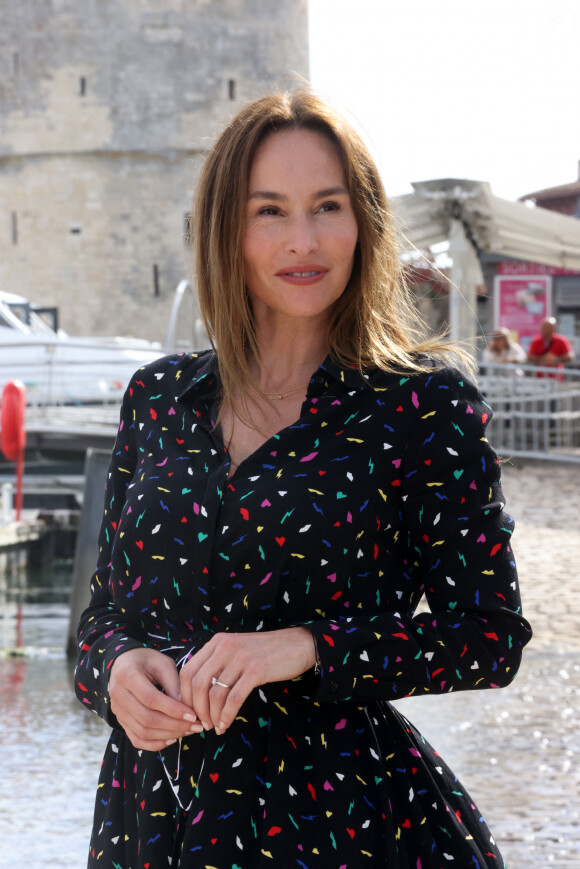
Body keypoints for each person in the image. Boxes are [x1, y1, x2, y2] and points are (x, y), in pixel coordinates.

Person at [75, 89, 532, 869]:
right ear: (228, 227)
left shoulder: (421, 406)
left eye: (328, 205)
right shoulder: (156, 398)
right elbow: (101, 618)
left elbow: (488, 635)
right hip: (153, 819)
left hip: (336, 824)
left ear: (363, 224)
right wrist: (115, 669)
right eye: (270, 211)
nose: (304, 239)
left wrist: (306, 647)